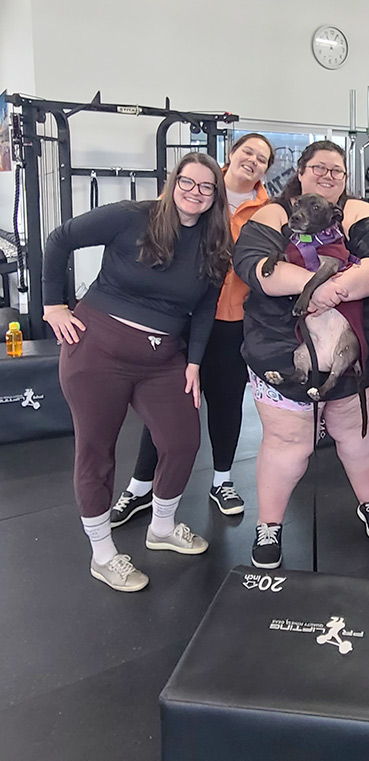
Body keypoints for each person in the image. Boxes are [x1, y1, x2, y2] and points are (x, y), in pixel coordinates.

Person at [42, 153, 231, 592]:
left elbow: (206, 307)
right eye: (188, 182)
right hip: (97, 351)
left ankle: (161, 527)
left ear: (215, 196)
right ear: (173, 182)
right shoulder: (133, 217)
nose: (195, 192)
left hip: (163, 358)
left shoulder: (216, 242)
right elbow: (60, 238)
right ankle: (103, 554)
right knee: (96, 451)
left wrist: (194, 361)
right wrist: (53, 305)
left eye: (206, 187)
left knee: (182, 441)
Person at [233, 140, 369, 569]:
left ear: (345, 179)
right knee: (287, 443)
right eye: (319, 167)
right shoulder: (273, 215)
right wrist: (314, 287)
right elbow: (253, 265)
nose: (327, 175)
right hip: (282, 346)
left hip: (354, 349)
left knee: (357, 433)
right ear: (301, 172)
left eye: (336, 170)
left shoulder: (359, 214)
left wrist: (334, 289)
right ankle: (269, 525)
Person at [110, 133, 274, 525]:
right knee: (164, 401)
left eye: (262, 158)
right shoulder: (197, 191)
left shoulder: (270, 211)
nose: (253, 160)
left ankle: (222, 481)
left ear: (267, 169)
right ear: (231, 153)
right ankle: (141, 486)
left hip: (233, 320)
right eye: (248, 152)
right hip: (178, 316)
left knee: (226, 402)